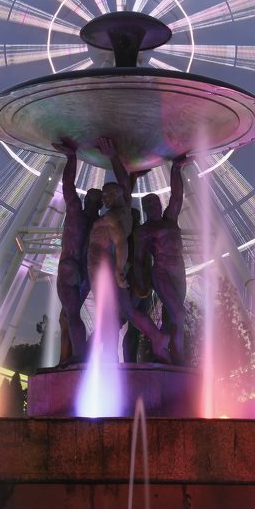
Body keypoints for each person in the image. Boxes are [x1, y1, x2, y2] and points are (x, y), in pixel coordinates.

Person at [90, 136, 168, 361]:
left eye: (107, 194)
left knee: (119, 319)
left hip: (119, 275)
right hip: (123, 274)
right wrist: (129, 173)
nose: (104, 198)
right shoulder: (125, 217)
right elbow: (125, 189)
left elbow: (123, 244)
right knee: (123, 319)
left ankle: (150, 342)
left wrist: (114, 157)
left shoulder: (119, 218)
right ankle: (123, 358)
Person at [134, 155, 189, 362]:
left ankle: (165, 354)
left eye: (155, 202)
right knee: (179, 312)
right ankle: (180, 357)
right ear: (145, 209)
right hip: (161, 271)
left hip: (179, 269)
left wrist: (176, 170)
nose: (153, 205)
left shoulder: (170, 219)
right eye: (148, 204)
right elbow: (139, 259)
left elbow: (177, 196)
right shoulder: (144, 231)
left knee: (172, 314)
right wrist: (141, 283)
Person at [53, 138, 101, 364]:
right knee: (67, 317)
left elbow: (68, 185)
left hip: (69, 267)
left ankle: (78, 358)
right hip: (85, 274)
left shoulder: (75, 214)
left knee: (70, 316)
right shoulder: (102, 224)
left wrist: (71, 157)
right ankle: (71, 356)